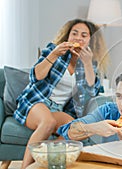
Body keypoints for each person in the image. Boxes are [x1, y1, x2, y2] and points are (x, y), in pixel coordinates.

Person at [14, 18, 109, 169]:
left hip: (58, 109)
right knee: (48, 122)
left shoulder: (89, 63)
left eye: (84, 35)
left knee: (78, 130)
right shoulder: (54, 50)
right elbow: (35, 76)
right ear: (68, 36)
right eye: (74, 33)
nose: (78, 38)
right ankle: (24, 168)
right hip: (36, 102)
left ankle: (44, 158)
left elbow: (90, 93)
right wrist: (53, 55)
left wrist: (87, 64)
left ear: (90, 41)